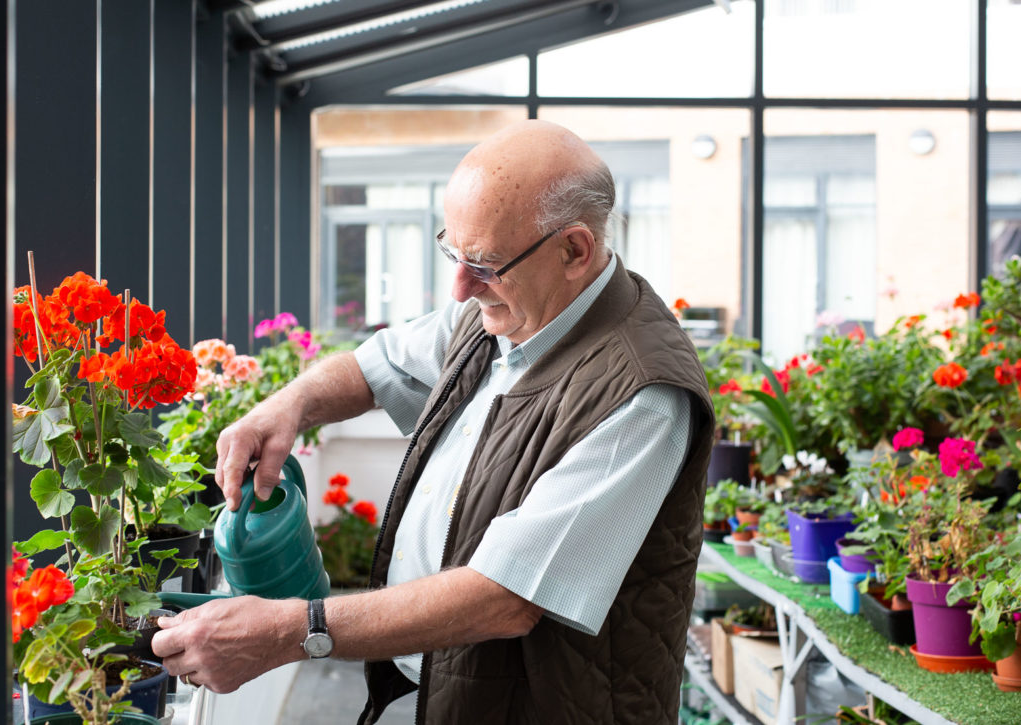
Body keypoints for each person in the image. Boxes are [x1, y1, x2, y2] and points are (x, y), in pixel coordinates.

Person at [152, 120, 714, 724]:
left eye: (485, 262)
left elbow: (505, 596)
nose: (460, 286)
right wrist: (287, 406)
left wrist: (296, 630)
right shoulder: (503, 311)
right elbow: (375, 366)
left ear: (574, 250)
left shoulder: (643, 394)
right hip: (444, 693)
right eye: (453, 251)